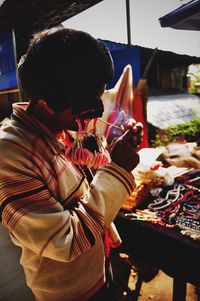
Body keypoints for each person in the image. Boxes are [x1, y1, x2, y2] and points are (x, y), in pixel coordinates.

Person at [0, 27, 142, 301]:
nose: (89, 118)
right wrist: (117, 171)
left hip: (96, 268)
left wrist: (117, 151)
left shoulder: (57, 128)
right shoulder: (9, 154)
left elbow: (84, 184)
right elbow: (63, 241)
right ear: (49, 102)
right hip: (68, 292)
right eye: (85, 108)